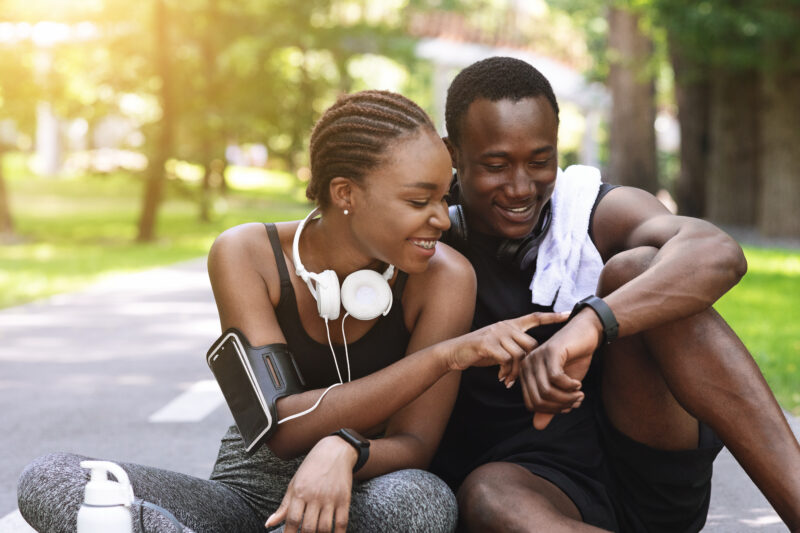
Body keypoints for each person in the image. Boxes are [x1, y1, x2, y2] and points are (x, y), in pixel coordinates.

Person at [16, 90, 567, 533]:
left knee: (420, 503)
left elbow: (415, 447)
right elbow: (278, 428)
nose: (442, 219)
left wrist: (345, 450)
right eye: (418, 201)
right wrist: (445, 356)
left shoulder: (445, 278)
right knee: (52, 479)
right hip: (246, 492)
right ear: (346, 192)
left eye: (443, 198)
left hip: (360, 491)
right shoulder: (246, 255)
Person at [429, 56, 800, 532]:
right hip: (532, 488)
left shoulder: (591, 210)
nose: (521, 187)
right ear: (452, 153)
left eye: (540, 161)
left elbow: (718, 252)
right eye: (496, 165)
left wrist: (591, 322)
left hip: (647, 470)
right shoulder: (427, 234)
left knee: (640, 268)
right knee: (488, 495)